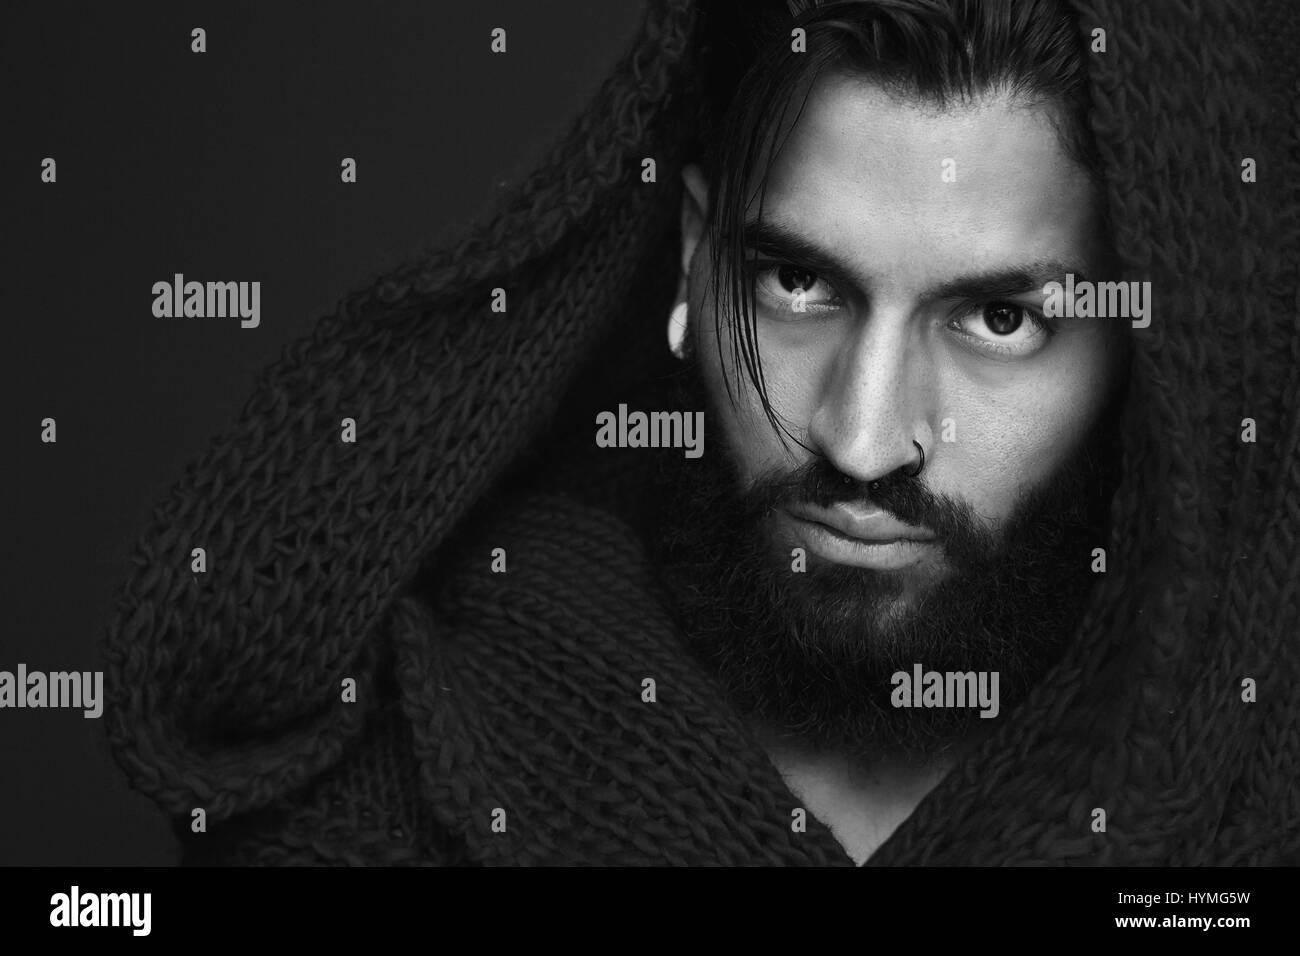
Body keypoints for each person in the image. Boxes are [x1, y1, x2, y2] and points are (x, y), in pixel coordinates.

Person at [103, 0, 1299, 866]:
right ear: (692, 254)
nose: (864, 437)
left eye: (997, 317)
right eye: (795, 284)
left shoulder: (1256, 794)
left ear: (1157, 351)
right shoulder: (410, 743)